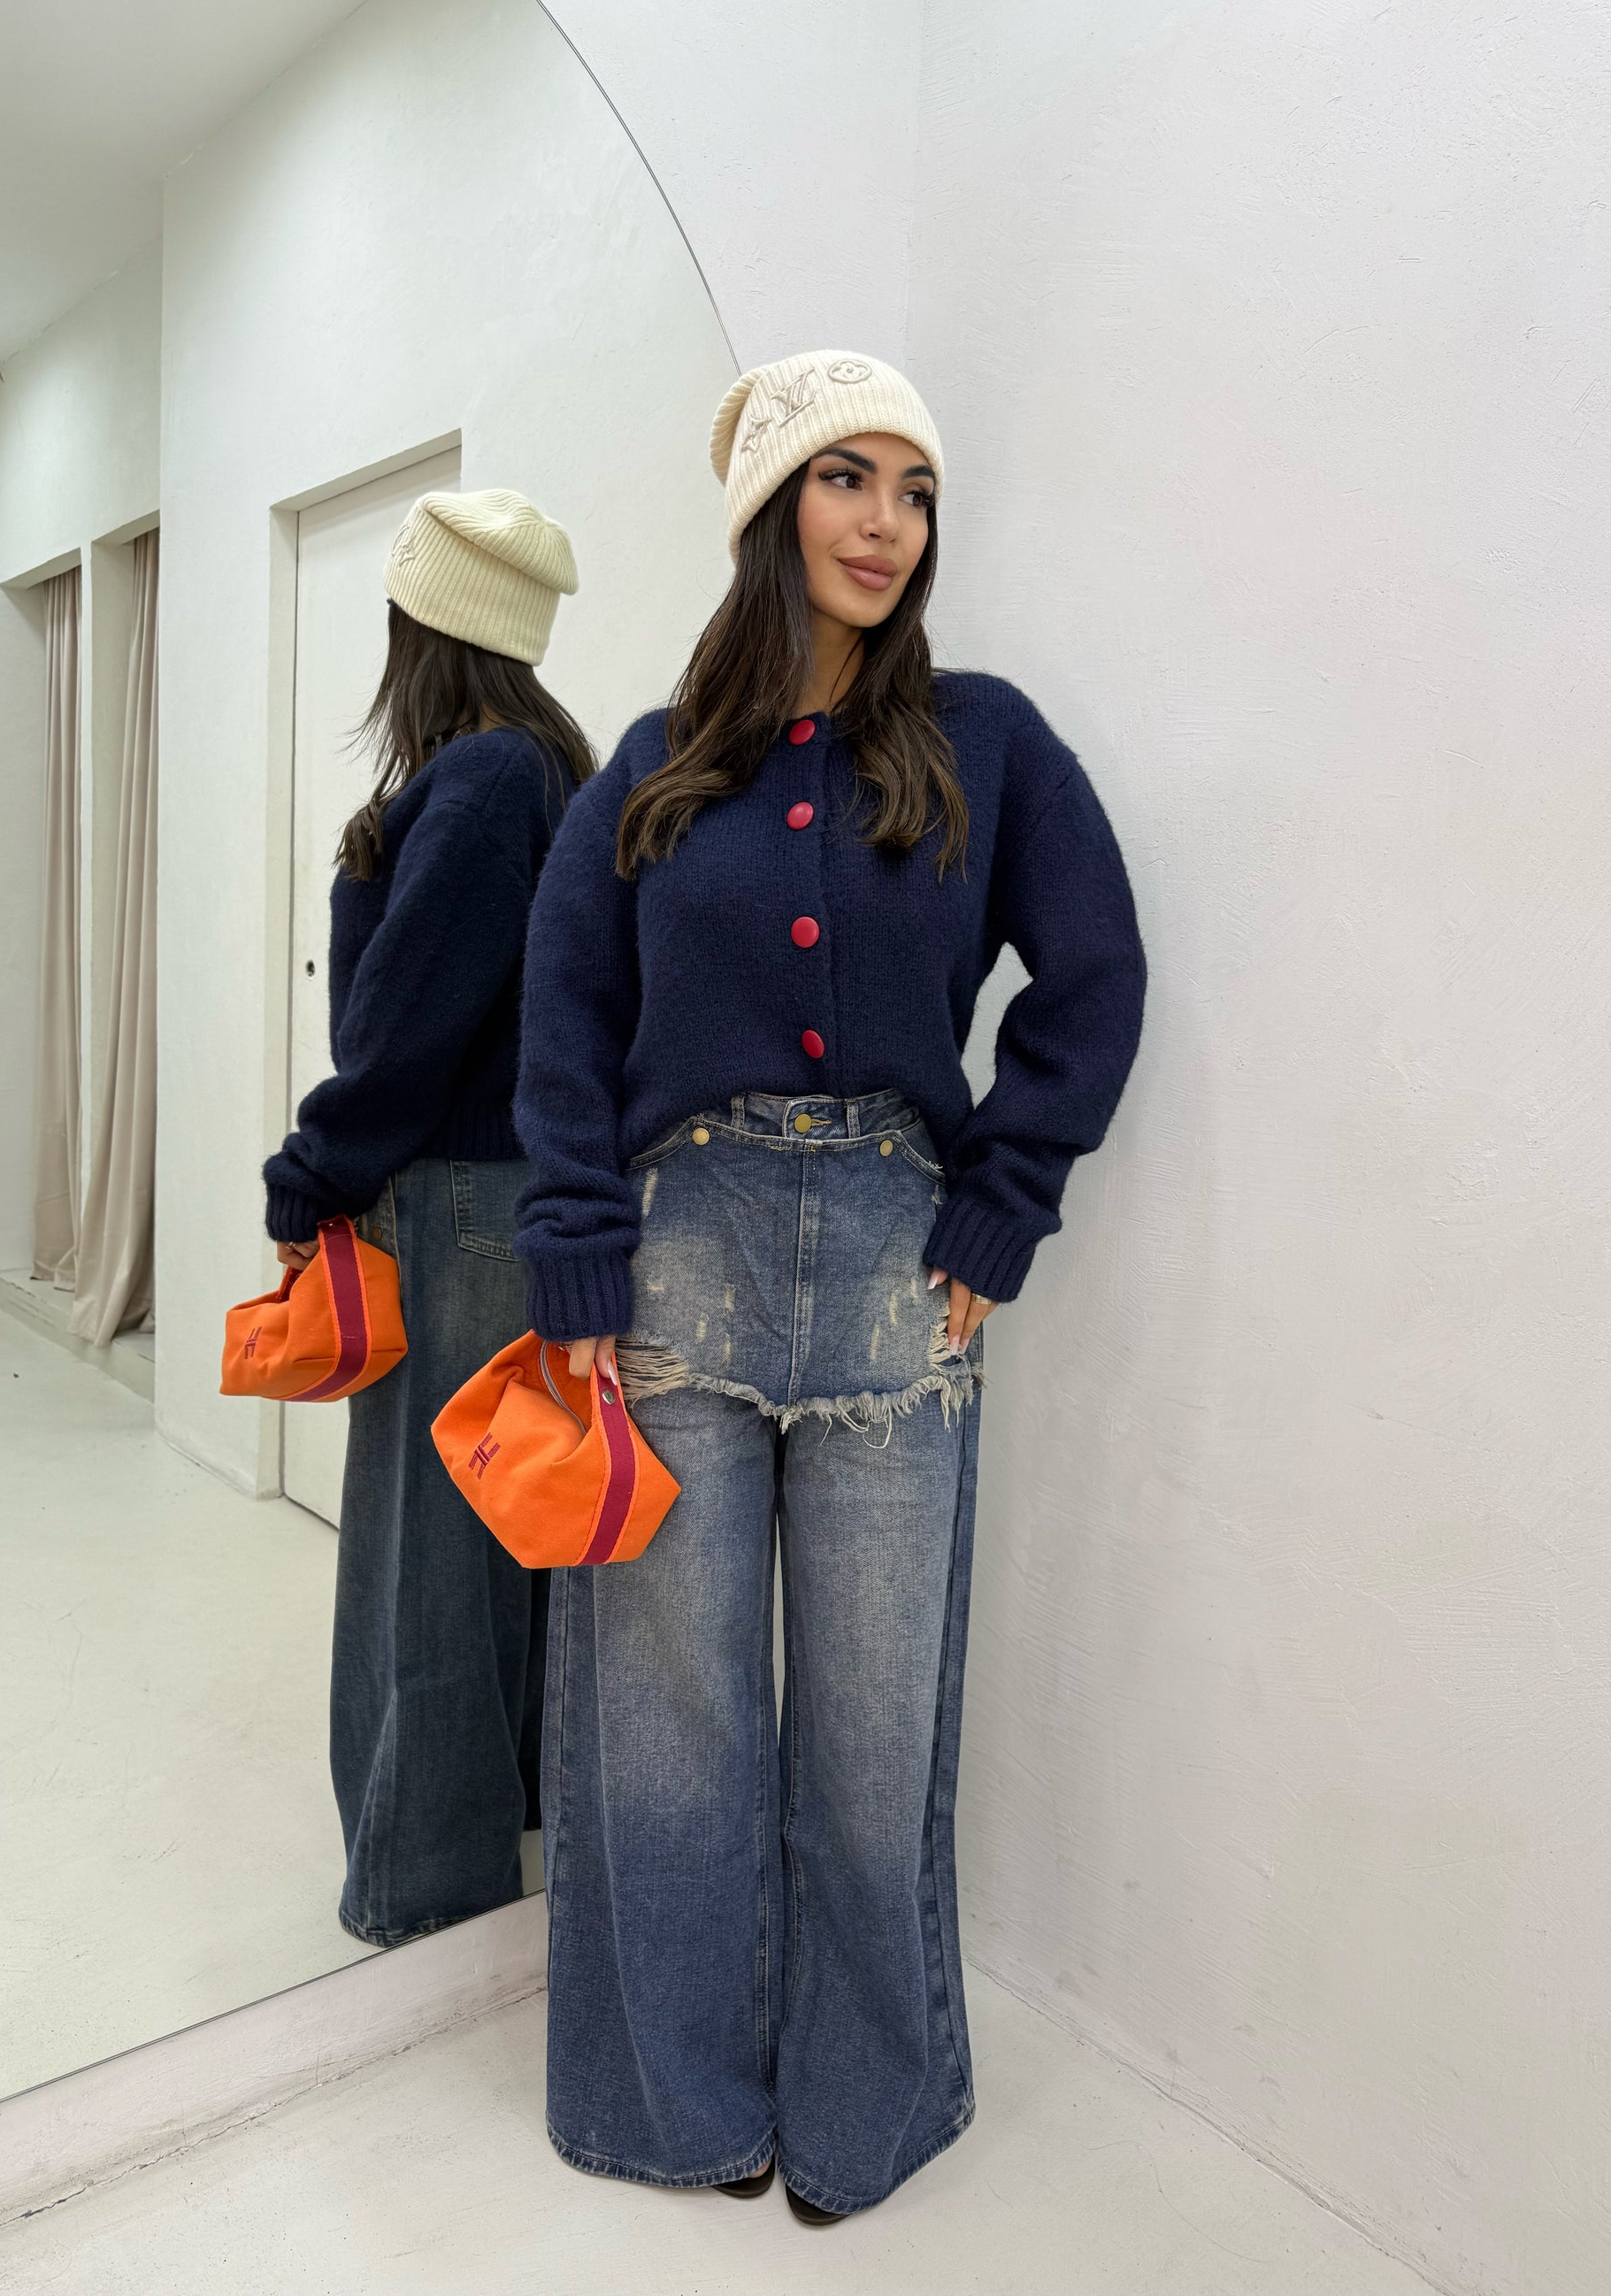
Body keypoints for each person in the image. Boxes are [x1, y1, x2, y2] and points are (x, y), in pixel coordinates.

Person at [512, 354, 1147, 2221]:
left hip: (894, 1274)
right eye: (846, 479)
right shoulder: (654, 766)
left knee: (874, 1736)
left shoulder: (984, 741)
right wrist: (575, 1244)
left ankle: (866, 2110)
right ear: (767, 509)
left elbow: (1094, 973)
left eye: (915, 491)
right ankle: (674, 2102)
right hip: (677, 1273)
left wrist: (1001, 1203)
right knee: (668, 1727)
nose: (886, 524)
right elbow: (566, 1015)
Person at [264, 488, 595, 1946]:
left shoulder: (478, 784)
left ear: (422, 622)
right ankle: (497, 1828)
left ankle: (423, 1888)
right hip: (514, 1203)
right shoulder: (547, 765)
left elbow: (401, 1029)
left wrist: (312, 1172)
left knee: (427, 1558)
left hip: (455, 1202)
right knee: (503, 1535)